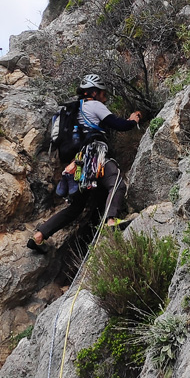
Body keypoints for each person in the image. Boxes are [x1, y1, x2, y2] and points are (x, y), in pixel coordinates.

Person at [28, 74, 141, 252]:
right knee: (116, 182)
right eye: (103, 94)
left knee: (76, 208)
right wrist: (133, 120)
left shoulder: (73, 112)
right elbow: (119, 125)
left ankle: (39, 236)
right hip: (93, 155)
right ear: (94, 93)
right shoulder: (94, 105)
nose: (105, 98)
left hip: (75, 164)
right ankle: (111, 221)